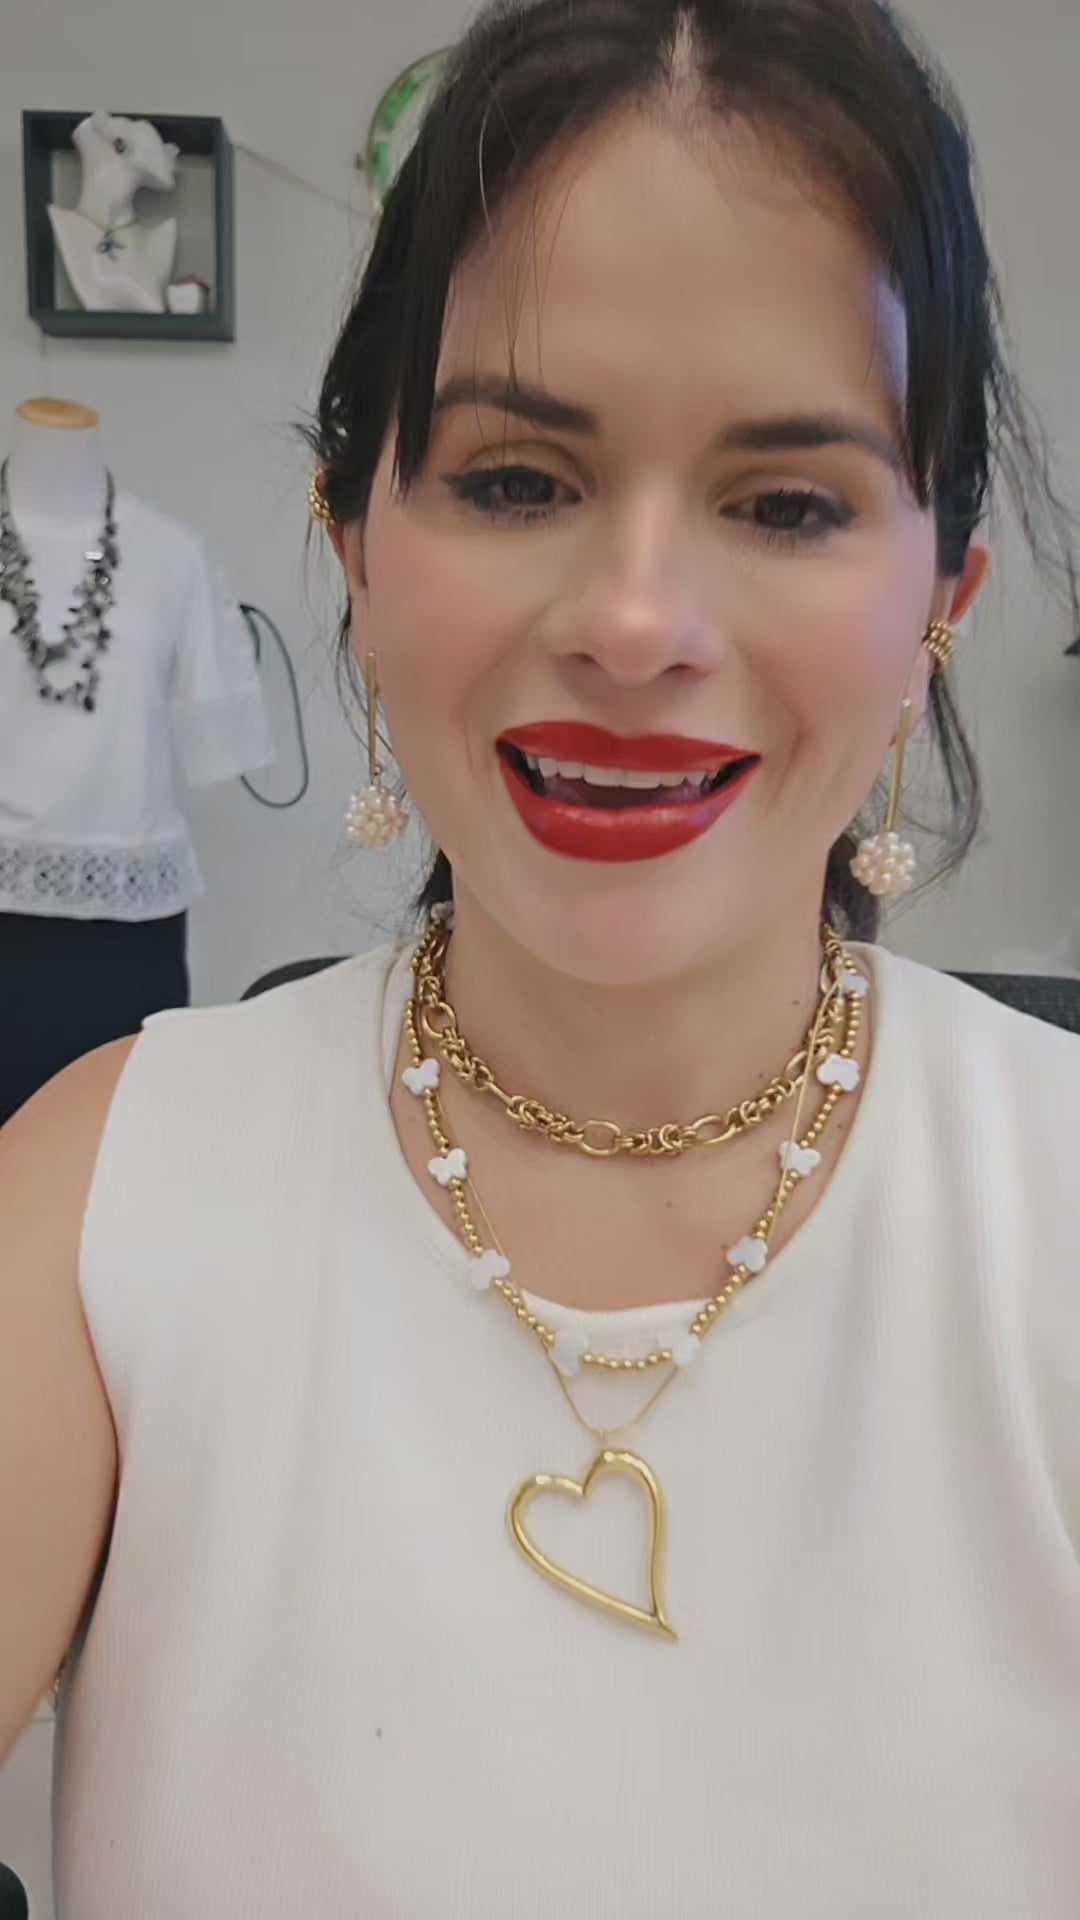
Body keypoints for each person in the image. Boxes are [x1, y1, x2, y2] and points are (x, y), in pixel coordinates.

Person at [2, 0, 1079, 1912]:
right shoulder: (101, 1200)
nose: (637, 622)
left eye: (787, 504)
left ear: (941, 604)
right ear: (356, 546)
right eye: (516, 480)